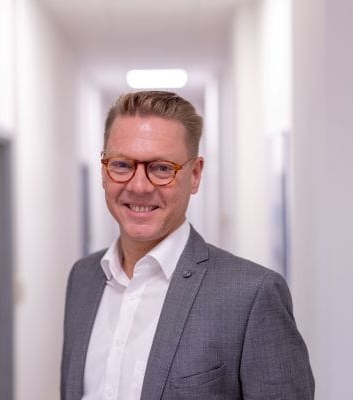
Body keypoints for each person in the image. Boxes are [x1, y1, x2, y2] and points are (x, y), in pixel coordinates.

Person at [60, 91, 314, 400]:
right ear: (103, 171)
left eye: (162, 168)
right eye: (122, 164)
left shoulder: (252, 295)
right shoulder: (83, 278)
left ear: (194, 175)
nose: (139, 186)